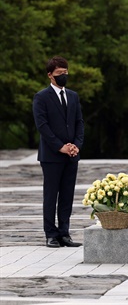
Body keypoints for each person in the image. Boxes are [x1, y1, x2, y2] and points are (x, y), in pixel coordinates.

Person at [33, 56, 84, 248]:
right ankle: (51, 234)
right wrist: (60, 146)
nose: (63, 76)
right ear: (50, 75)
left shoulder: (73, 96)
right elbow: (42, 126)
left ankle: (64, 232)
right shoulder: (41, 97)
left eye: (66, 73)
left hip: (72, 154)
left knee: (67, 195)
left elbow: (79, 122)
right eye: (59, 74)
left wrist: (76, 144)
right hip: (52, 156)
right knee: (51, 194)